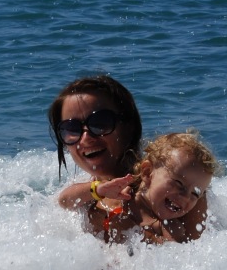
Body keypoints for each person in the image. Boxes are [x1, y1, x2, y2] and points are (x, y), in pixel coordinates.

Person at [48, 75, 209, 233]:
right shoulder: (87, 193)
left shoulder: (175, 191)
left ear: (128, 126)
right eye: (71, 129)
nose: (85, 138)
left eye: (100, 123)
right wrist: (97, 190)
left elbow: (194, 246)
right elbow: (64, 200)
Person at [85, 131, 218, 244]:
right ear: (148, 173)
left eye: (195, 193)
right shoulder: (115, 198)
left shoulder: (173, 229)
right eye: (178, 183)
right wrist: (96, 190)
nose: (185, 196)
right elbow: (70, 200)